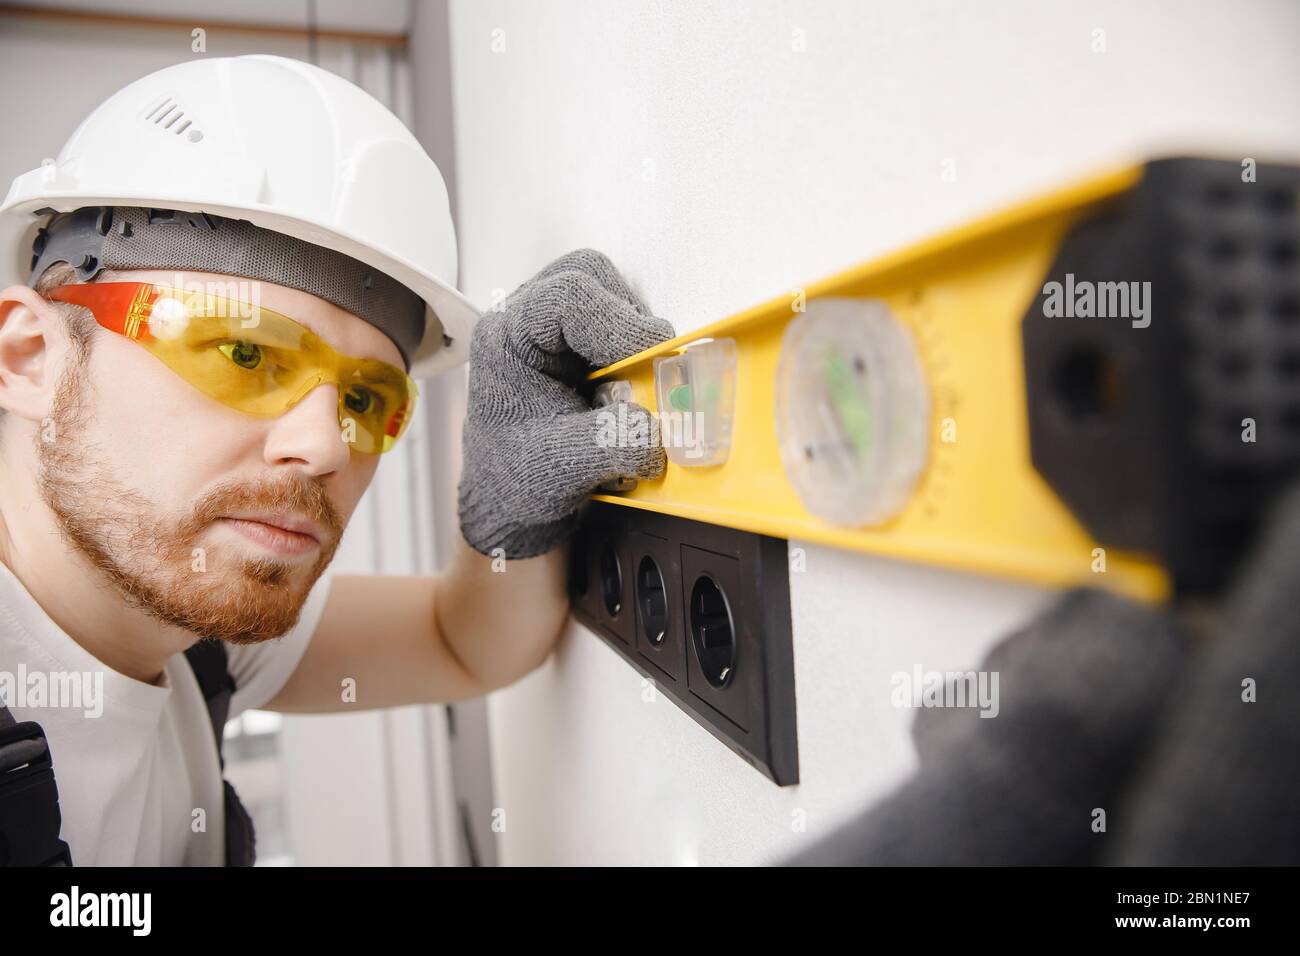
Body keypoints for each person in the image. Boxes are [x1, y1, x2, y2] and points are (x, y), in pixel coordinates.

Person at [0, 54, 671, 865]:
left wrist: (504, 513)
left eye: (362, 401)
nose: (323, 446)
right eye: (245, 354)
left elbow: (463, 642)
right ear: (32, 356)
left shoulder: (189, 629)